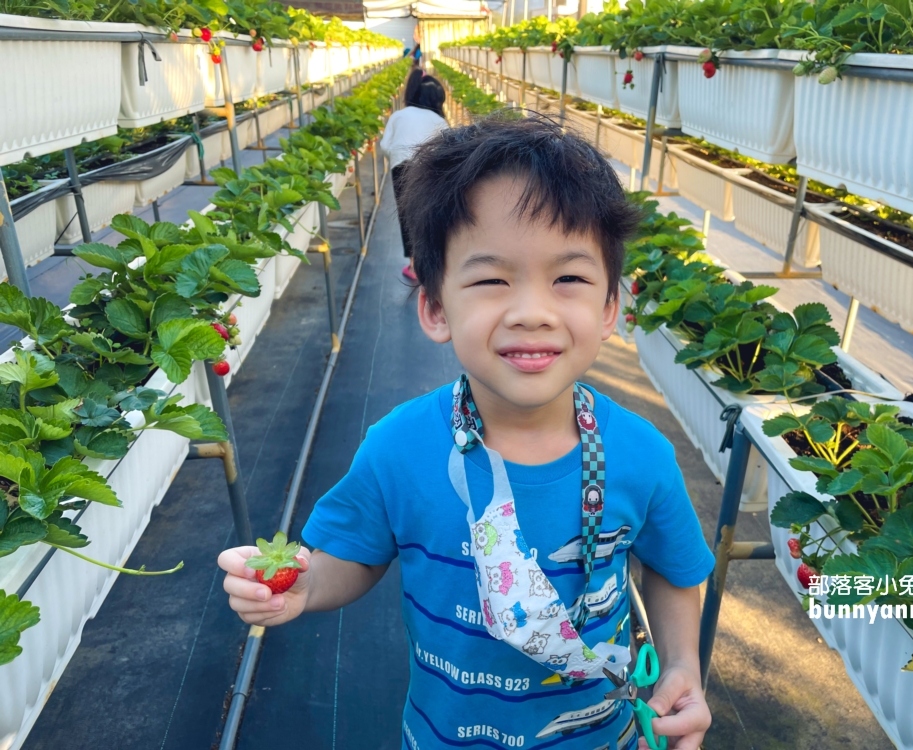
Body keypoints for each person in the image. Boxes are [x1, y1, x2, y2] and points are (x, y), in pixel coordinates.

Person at [218, 117, 715, 750]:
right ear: (433, 307)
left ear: (611, 307)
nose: (532, 311)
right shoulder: (399, 449)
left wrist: (679, 665)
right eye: (490, 280)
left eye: (569, 279)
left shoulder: (641, 455)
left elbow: (674, 569)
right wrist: (303, 584)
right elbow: (354, 554)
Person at [378, 68, 447, 280]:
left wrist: (398, 155)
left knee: (406, 214)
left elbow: (385, 145)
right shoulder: (439, 121)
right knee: (428, 212)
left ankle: (414, 266)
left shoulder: (399, 116)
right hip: (428, 167)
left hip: (402, 166)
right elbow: (447, 147)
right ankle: (435, 262)